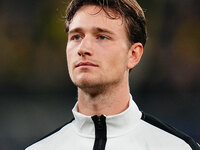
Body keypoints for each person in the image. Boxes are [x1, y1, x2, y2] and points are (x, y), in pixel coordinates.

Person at [26, 0, 199, 149]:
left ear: (133, 55)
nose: (83, 49)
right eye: (76, 37)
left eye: (102, 37)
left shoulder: (177, 147)